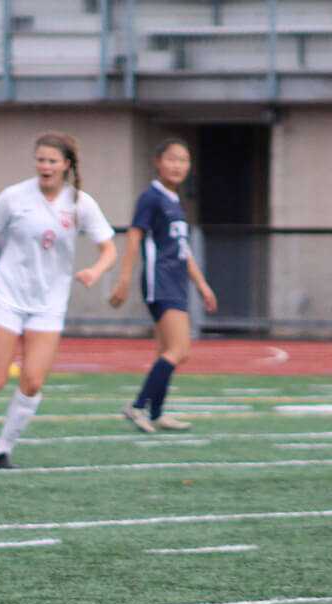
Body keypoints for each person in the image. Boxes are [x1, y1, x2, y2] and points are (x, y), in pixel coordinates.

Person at [0, 131, 116, 468]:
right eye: (40, 159)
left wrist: (96, 271)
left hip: (49, 303)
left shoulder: (80, 203)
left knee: (32, 381)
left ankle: (2, 451)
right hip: (7, 295)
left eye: (52, 160)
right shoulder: (15, 197)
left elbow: (109, 248)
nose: (45, 166)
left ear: (66, 165)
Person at [109, 138, 217, 433]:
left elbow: (183, 250)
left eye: (183, 160)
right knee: (179, 350)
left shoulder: (174, 200)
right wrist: (124, 279)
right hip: (161, 282)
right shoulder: (151, 197)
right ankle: (138, 406)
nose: (178, 165)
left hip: (176, 282)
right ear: (158, 161)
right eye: (172, 159)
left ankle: (156, 412)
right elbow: (134, 237)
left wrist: (202, 285)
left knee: (166, 351)